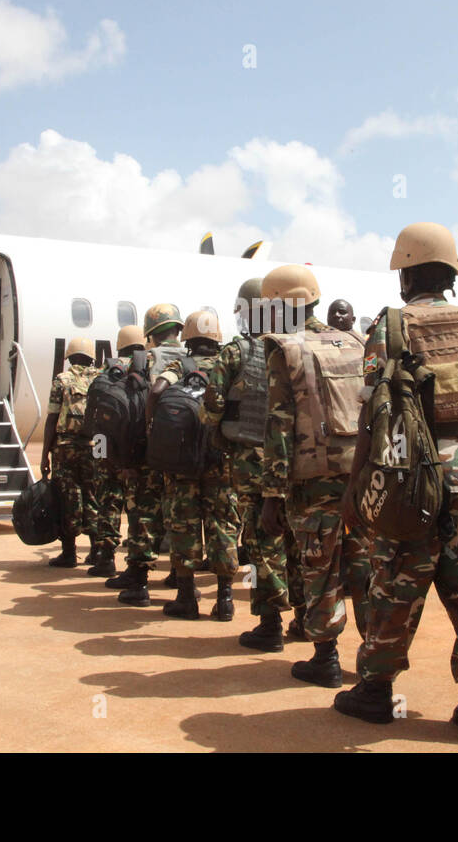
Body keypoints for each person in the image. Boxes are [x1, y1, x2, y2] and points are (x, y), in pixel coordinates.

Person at [334, 222, 458, 741]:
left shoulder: (390, 327)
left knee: (395, 583)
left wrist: (355, 488)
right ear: (451, 275)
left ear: (406, 275)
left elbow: (376, 414)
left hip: (406, 474)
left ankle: (374, 691)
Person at [261, 264, 371, 686]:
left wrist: (272, 494)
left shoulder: (286, 350)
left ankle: (325, 658)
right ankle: (371, 663)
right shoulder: (355, 342)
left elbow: (279, 426)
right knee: (364, 569)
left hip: (313, 482)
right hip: (360, 478)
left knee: (320, 567)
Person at [203, 278, 306, 649]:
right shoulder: (296, 348)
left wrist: (214, 430)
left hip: (251, 462)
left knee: (262, 541)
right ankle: (307, 618)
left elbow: (213, 402)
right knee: (296, 536)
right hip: (295, 460)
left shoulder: (235, 353)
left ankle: (270, 624)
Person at [152, 310, 240, 619]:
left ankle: (187, 597)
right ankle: (225, 599)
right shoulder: (227, 366)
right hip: (222, 460)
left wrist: (156, 425)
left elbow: (156, 390)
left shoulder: (181, 365)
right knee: (223, 525)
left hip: (185, 460)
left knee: (184, 525)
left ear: (188, 338)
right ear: (217, 338)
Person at [112, 304, 186, 606]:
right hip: (184, 451)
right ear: (178, 330)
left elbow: (126, 408)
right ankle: (182, 579)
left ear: (150, 333)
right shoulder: (193, 360)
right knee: (182, 515)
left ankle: (139, 580)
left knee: (143, 511)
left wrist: (125, 456)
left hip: (148, 451)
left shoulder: (143, 359)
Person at [90, 324, 148, 580]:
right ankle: (138, 562)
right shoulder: (146, 366)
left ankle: (105, 556)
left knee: (107, 498)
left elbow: (94, 412)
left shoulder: (108, 368)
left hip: (105, 442)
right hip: (136, 447)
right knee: (136, 505)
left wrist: (99, 448)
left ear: (120, 345)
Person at [40, 336, 102, 568]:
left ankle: (69, 553)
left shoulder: (62, 379)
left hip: (65, 447)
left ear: (70, 358)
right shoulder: (101, 378)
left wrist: (45, 453)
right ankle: (97, 551)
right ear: (91, 357)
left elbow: (52, 417)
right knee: (94, 495)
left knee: (67, 497)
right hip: (96, 445)